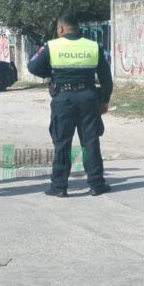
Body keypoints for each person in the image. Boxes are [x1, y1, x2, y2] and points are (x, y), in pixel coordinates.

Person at [27, 13, 113, 197]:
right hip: (88, 99)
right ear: (77, 27)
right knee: (90, 142)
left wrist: (51, 72)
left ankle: (59, 187)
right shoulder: (93, 46)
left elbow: (33, 67)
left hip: (63, 99)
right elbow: (106, 78)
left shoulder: (52, 46)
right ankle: (96, 184)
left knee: (62, 143)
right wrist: (104, 100)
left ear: (60, 29)